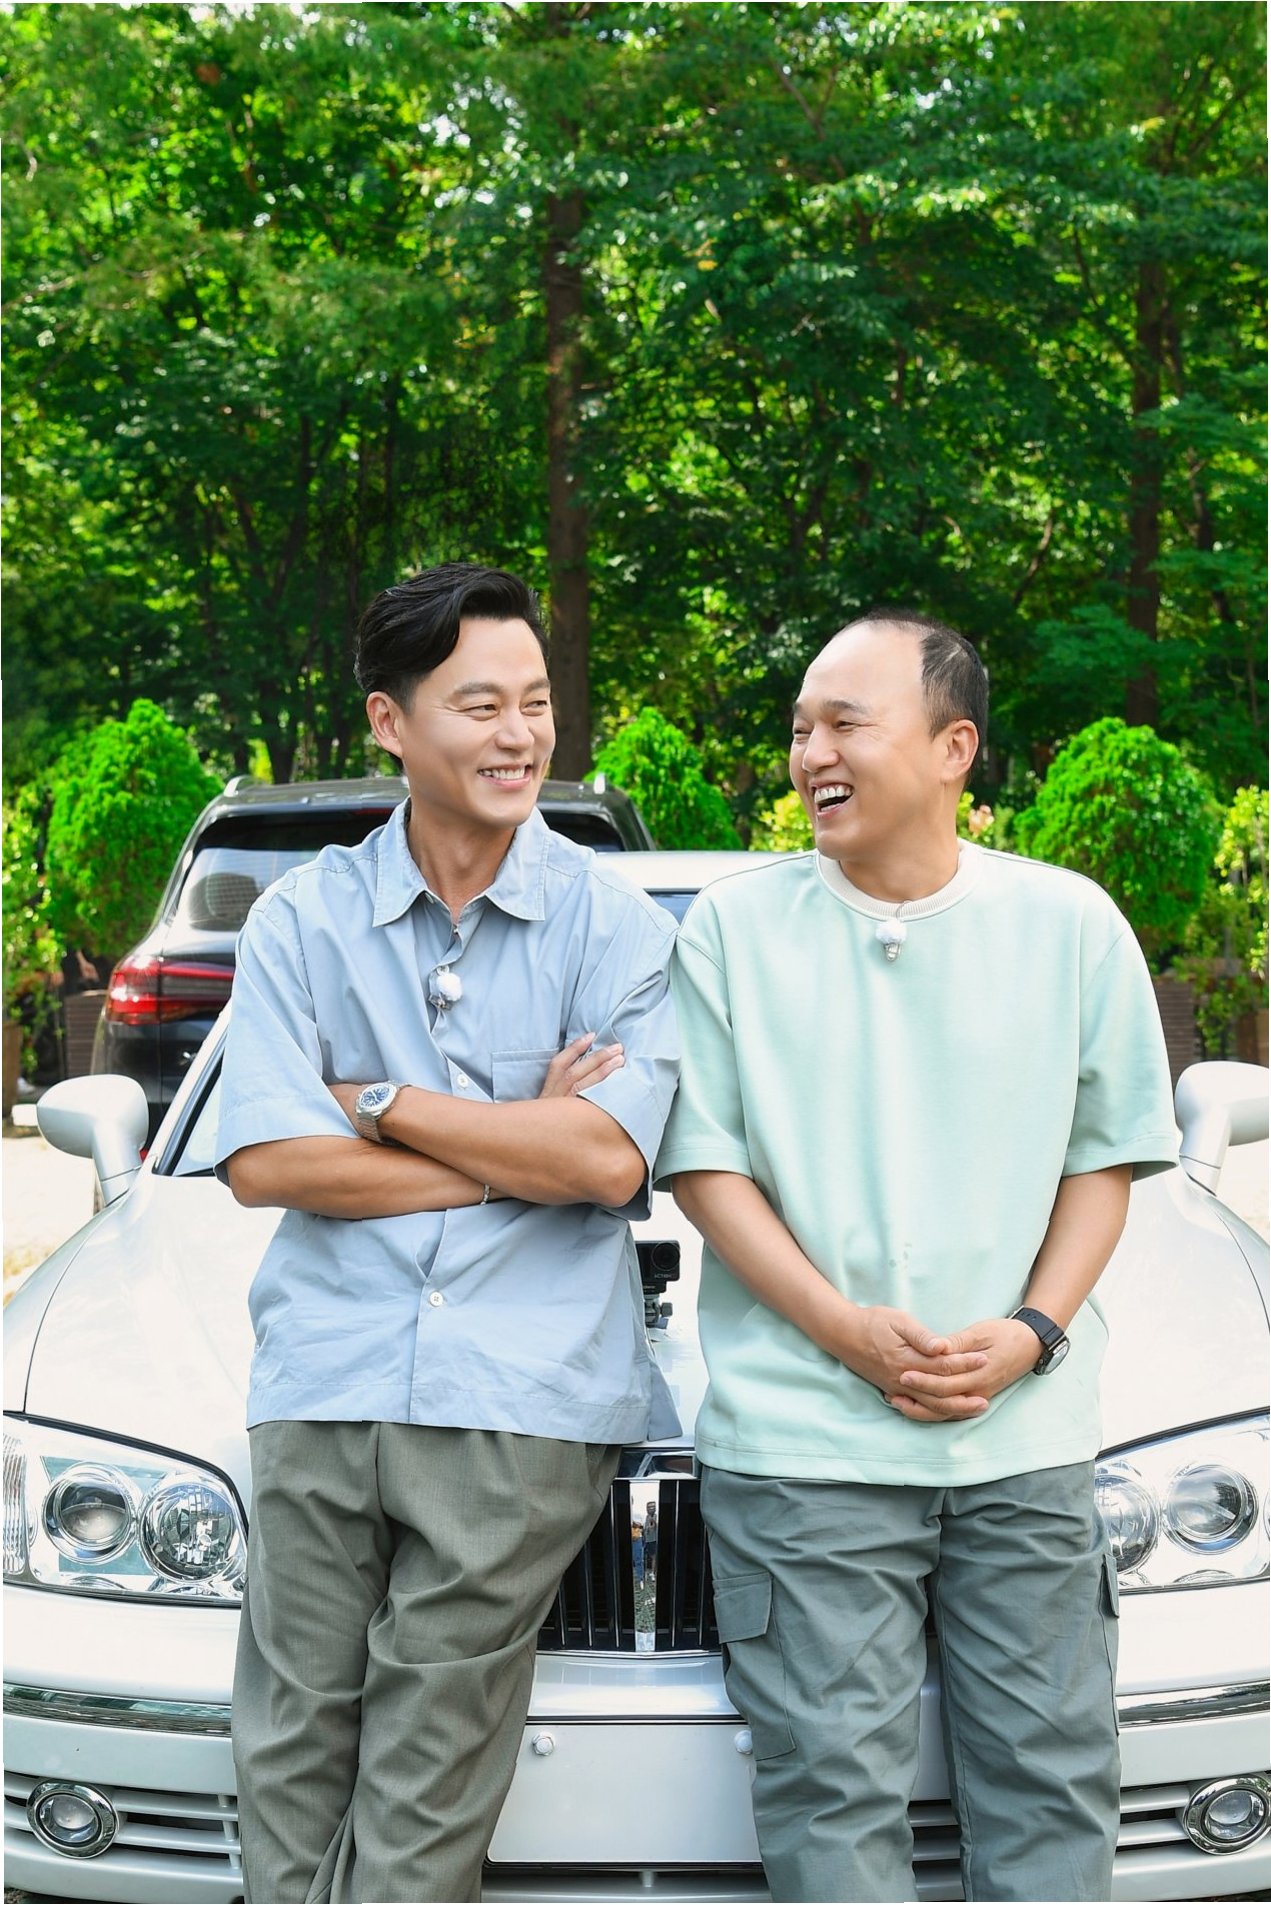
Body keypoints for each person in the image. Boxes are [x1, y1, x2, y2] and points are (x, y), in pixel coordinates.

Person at [656, 609, 1177, 1904]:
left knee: (1050, 1784)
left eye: (844, 722)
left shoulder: (1067, 923)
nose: (809, 753)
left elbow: (1102, 1160)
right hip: (803, 1446)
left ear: (953, 747)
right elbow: (706, 1168)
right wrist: (842, 1332)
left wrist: (1030, 1335)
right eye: (798, 729)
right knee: (829, 1797)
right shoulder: (730, 929)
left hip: (1020, 1436)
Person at [215, 562, 680, 1904]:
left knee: (424, 1772)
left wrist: (377, 1105)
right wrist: (509, 1153)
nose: (519, 734)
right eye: (480, 705)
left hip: (519, 1396)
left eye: (535, 701)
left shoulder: (613, 924)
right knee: (289, 1745)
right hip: (324, 1370)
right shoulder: (302, 920)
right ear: (390, 721)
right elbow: (265, 1162)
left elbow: (603, 1158)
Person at [643, 1499, 659, 1582]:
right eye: (649, 1507)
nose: (651, 1508)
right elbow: (646, 1528)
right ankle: (647, 1572)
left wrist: (653, 1521)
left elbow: (653, 1526)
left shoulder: (655, 1516)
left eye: (652, 1507)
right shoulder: (647, 1517)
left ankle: (653, 1573)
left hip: (653, 1540)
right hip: (647, 1540)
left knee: (654, 1557)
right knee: (646, 1557)